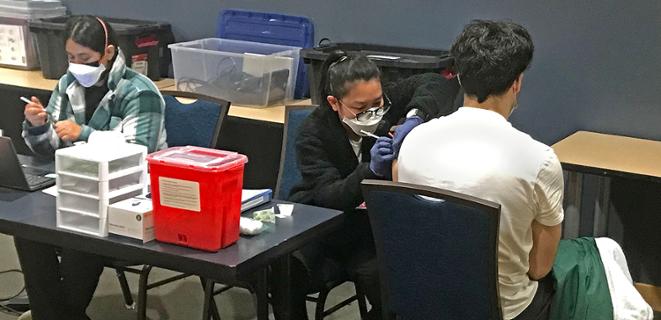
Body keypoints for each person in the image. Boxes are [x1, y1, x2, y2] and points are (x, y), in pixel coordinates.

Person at [273, 51, 460, 319]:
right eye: (360, 108)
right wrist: (369, 171)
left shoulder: (388, 102)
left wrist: (414, 117)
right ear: (334, 103)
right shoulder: (313, 133)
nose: (373, 112)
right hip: (324, 226)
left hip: (369, 230)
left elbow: (437, 83)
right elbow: (330, 196)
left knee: (398, 288)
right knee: (285, 268)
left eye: (378, 102)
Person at [396, 20, 562, 320]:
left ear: (459, 76)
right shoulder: (539, 160)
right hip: (502, 311)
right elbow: (539, 268)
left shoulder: (412, 141)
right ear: (517, 83)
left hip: (420, 303)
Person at [15, 15, 167, 320]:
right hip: (75, 184)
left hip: (127, 193)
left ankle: (51, 314)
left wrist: (82, 133)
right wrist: (37, 126)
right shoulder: (68, 84)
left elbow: (140, 150)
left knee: (81, 231)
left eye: (84, 58)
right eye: (71, 57)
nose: (76, 65)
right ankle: (56, 315)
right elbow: (50, 148)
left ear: (108, 53)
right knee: (27, 228)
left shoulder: (140, 91)